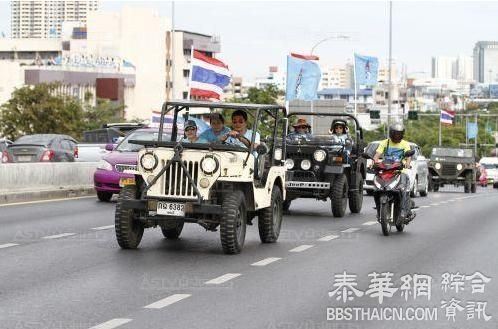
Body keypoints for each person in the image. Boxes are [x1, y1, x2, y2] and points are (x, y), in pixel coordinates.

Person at [372, 122, 414, 221]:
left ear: (402, 134)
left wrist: (407, 163)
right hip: (386, 171)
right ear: (391, 133)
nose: (397, 136)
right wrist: (373, 162)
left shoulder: (405, 144)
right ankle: (379, 210)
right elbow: (377, 155)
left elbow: (408, 156)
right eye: (395, 133)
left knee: (403, 189)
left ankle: (403, 211)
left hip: (400, 171)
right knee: (376, 190)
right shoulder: (384, 143)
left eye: (399, 134)